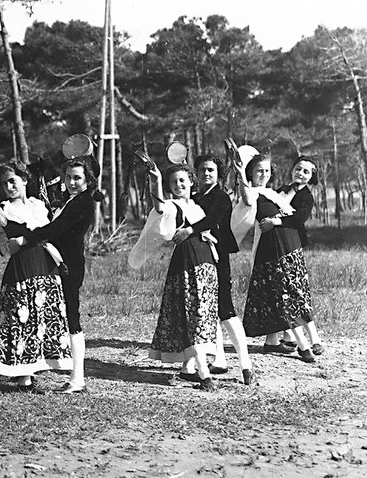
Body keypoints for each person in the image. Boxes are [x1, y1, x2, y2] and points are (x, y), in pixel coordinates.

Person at [0, 162, 72, 397]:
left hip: (47, 270)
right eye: (4, 183)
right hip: (21, 271)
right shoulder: (3, 209)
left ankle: (26, 378)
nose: (9, 187)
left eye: (12, 180)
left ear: (25, 180)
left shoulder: (40, 206)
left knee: (38, 324)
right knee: (11, 323)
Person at [131, 162, 220, 390]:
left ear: (192, 181)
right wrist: (157, 181)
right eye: (174, 182)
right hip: (187, 263)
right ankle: (204, 374)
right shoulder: (172, 206)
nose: (179, 185)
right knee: (192, 315)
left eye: (182, 180)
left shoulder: (198, 207)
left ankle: (187, 368)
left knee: (200, 316)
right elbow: (159, 208)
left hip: (206, 263)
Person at [20, 158, 100, 394]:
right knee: (63, 317)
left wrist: (27, 238)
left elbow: (57, 229)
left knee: (72, 319)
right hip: (60, 263)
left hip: (70, 266)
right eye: (68, 177)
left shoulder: (83, 203)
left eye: (77, 178)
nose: (72, 182)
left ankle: (78, 380)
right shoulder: (70, 201)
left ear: (87, 180)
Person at [236, 154, 322, 361]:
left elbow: (298, 218)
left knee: (288, 291)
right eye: (258, 171)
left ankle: (273, 341)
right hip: (273, 248)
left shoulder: (273, 193)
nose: (263, 175)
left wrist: (276, 221)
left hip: (288, 247)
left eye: (266, 171)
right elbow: (247, 199)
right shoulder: (255, 193)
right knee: (281, 292)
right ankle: (301, 345)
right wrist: (240, 175)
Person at [189, 153, 254, 383]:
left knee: (225, 309)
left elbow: (210, 220)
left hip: (218, 257)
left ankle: (246, 364)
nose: (206, 174)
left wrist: (188, 230)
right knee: (204, 308)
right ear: (195, 173)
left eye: (211, 170)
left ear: (218, 175)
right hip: (198, 256)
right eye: (202, 170)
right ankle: (216, 360)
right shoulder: (192, 196)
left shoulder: (222, 198)